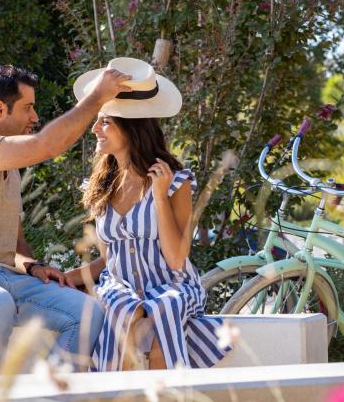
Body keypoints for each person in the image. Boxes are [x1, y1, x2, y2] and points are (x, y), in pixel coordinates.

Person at [0, 64, 132, 375]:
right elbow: (48, 145)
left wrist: (33, 267)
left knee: (88, 312)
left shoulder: (11, 171)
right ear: (0, 109)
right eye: (28, 107)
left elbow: (14, 243)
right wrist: (96, 97)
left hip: (5, 280)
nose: (35, 117)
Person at [64, 57, 229, 371]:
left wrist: (158, 195)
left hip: (174, 285)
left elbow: (177, 259)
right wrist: (69, 278)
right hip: (120, 286)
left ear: (131, 128)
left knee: (165, 308)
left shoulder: (175, 182)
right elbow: (110, 259)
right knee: (121, 308)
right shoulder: (100, 185)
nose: (95, 128)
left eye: (105, 121)